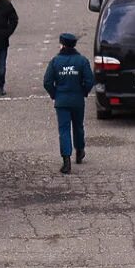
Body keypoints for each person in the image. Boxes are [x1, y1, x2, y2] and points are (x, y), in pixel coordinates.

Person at [44, 32, 95, 174]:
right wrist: (83, 92)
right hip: (77, 100)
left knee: (64, 130)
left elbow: (47, 82)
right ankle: (80, 150)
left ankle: (66, 160)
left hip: (62, 101)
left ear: (62, 45)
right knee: (78, 126)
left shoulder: (55, 61)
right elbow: (90, 80)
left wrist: (55, 94)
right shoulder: (82, 61)